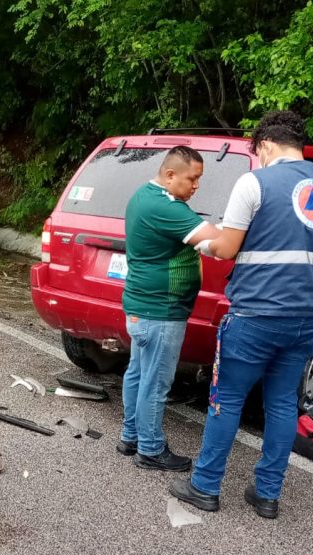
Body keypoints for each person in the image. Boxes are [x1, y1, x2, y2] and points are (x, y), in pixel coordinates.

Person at [169, 110, 313, 519]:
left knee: (226, 399)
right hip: (308, 319)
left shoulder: (255, 181)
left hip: (255, 314)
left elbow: (228, 248)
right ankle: (267, 495)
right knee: (283, 404)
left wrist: (204, 242)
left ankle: (205, 486)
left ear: (264, 145)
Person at [118, 146, 218, 471]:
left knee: (138, 372)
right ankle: (150, 449)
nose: (196, 186)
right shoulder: (166, 207)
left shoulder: (142, 195)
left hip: (141, 306)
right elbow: (217, 240)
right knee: (155, 381)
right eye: (193, 178)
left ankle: (130, 436)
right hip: (161, 311)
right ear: (171, 175)